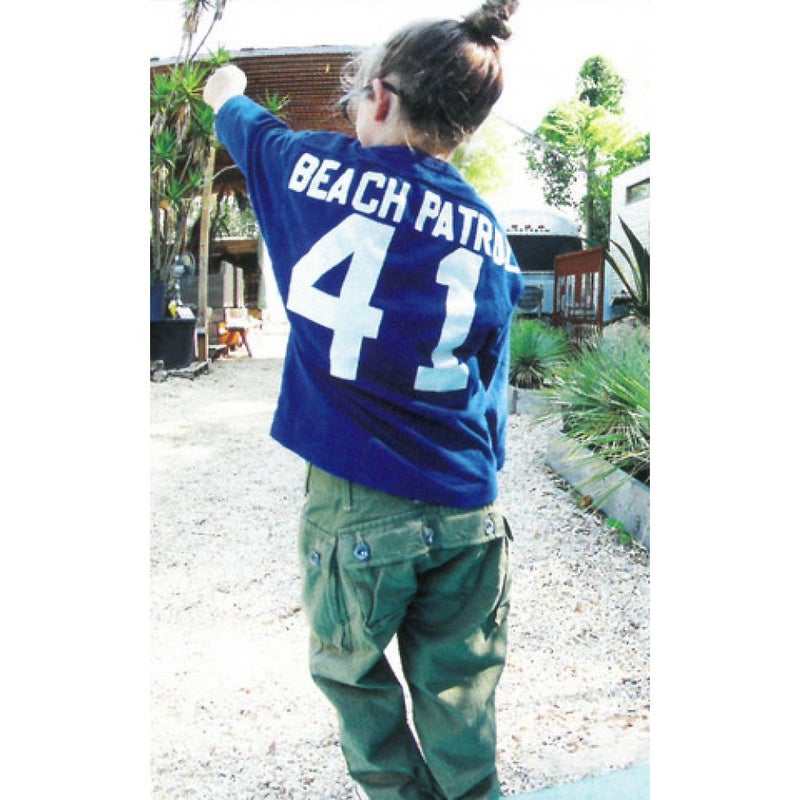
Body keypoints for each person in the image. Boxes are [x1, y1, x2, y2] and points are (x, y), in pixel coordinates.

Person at [203, 2, 522, 797]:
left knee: (353, 676)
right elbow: (492, 388)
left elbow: (240, 117)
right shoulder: (492, 235)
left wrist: (226, 86)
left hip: (358, 502)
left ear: (379, 98)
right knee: (462, 695)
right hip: (468, 505)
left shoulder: (306, 169)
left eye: (355, 97)